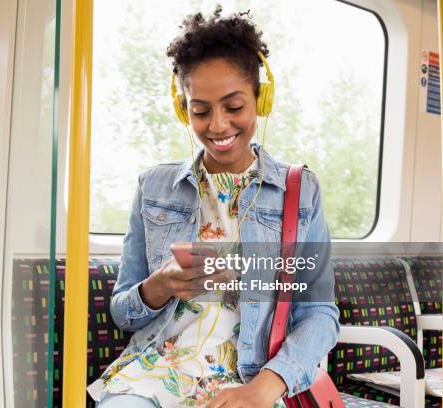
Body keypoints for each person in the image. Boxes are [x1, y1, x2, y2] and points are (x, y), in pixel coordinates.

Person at [87, 7, 339, 408]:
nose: (218, 126)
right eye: (200, 111)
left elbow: (320, 315)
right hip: (155, 373)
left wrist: (267, 386)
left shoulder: (300, 191)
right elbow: (122, 312)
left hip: (250, 377)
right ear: (182, 108)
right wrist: (158, 287)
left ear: (261, 99)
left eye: (234, 107)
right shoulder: (153, 187)